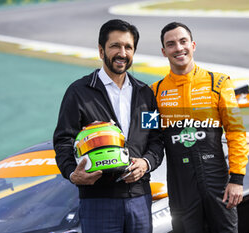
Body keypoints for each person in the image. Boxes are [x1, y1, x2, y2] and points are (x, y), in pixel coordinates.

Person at [53, 19, 164, 233]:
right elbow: (64, 140)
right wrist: (71, 173)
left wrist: (146, 163)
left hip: (140, 198)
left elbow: (156, 139)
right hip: (98, 200)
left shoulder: (145, 94)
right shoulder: (79, 92)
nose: (122, 53)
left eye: (128, 47)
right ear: (101, 50)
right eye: (115, 46)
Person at [150, 22, 249, 233]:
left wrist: (237, 179)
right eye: (171, 44)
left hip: (217, 180)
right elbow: (146, 136)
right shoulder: (154, 92)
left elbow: (236, 133)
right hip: (181, 187)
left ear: (193, 45)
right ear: (163, 51)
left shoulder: (219, 83)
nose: (178, 48)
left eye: (183, 41)